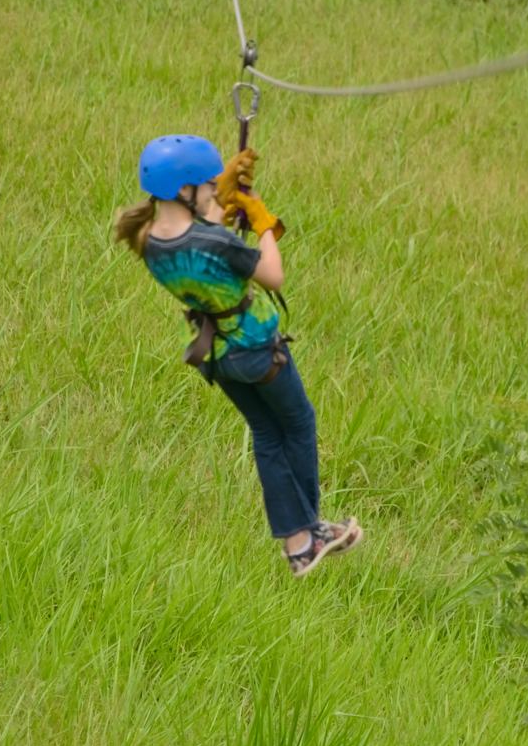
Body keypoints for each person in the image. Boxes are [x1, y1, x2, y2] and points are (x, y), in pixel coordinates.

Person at [113, 134, 361, 577]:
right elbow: (274, 275)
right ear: (185, 191)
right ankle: (313, 530)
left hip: (219, 357)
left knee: (267, 434)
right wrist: (263, 221)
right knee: (299, 423)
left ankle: (297, 544)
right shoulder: (216, 241)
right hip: (258, 349)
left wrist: (224, 196)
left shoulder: (151, 241)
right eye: (206, 185)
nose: (213, 191)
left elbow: (202, 228)